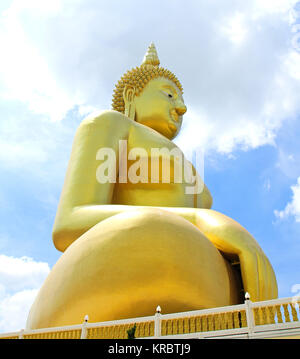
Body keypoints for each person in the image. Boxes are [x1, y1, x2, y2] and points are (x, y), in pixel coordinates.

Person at [26, 43, 277, 329]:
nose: (181, 107)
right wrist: (193, 219)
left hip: (198, 284)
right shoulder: (111, 124)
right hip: (119, 269)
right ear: (132, 95)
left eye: (181, 99)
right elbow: (68, 224)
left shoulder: (189, 166)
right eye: (169, 94)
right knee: (154, 227)